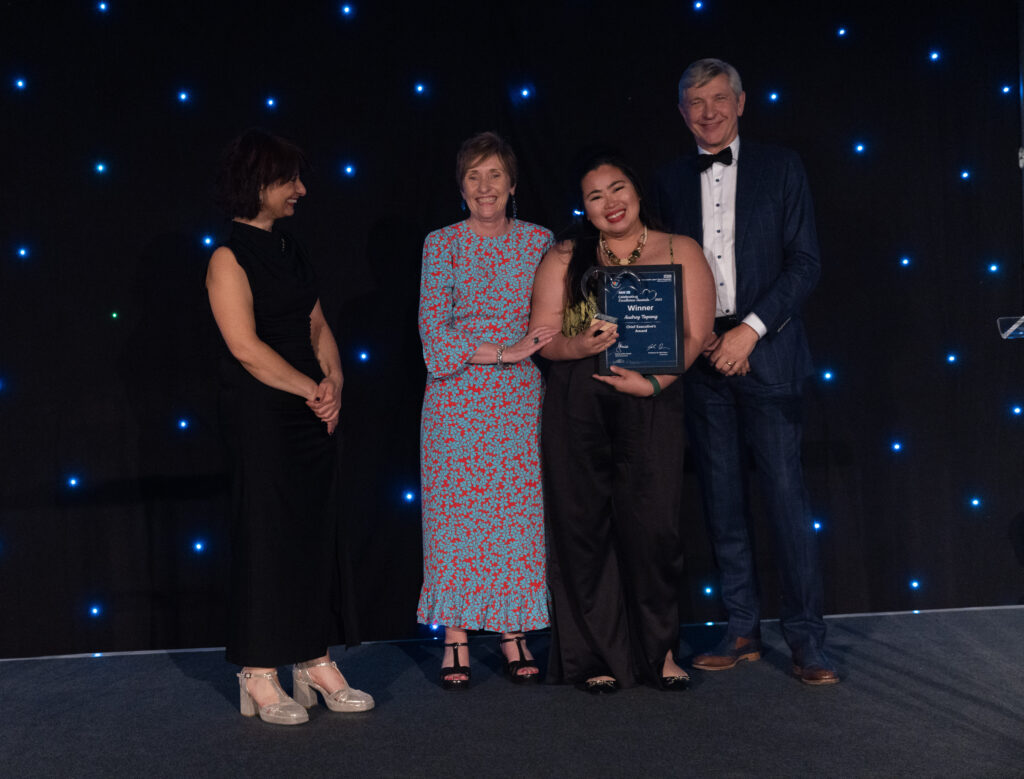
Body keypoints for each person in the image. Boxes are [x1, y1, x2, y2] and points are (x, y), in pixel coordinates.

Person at [650, 58, 837, 685]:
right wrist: (700, 339)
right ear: (682, 112)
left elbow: (805, 264)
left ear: (741, 102)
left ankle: (808, 639)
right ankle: (741, 628)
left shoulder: (782, 167)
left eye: (719, 99)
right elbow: (659, 270)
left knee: (786, 500)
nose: (708, 112)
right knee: (722, 505)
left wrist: (748, 332)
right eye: (695, 102)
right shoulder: (668, 179)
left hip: (768, 354)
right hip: (701, 363)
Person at [206, 128, 373, 724]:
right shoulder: (227, 257)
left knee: (312, 531)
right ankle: (257, 672)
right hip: (263, 413)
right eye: (290, 180)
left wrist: (334, 382)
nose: (301, 190)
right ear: (259, 184)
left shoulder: (291, 248)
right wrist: (311, 390)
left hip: (310, 409)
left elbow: (318, 324)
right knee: (266, 535)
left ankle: (313, 658)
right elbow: (245, 348)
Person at [530, 154, 715, 692]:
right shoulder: (566, 255)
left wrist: (654, 383)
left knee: (654, 529)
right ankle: (595, 657)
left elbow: (696, 335)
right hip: (576, 401)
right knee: (583, 529)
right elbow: (543, 337)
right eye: (595, 196)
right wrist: (576, 344)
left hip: (651, 399)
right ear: (584, 209)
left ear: (636, 191)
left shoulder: (680, 248)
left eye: (617, 189)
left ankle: (660, 652)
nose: (610, 203)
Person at [417, 131, 556, 689]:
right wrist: (505, 351)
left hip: (521, 398)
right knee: (454, 518)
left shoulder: (541, 241)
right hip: (455, 399)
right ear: (461, 186)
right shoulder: (441, 243)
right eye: (473, 176)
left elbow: (556, 315)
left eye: (494, 174)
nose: (484, 186)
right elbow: (434, 337)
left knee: (516, 516)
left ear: (513, 183)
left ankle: (513, 630)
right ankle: (454, 634)